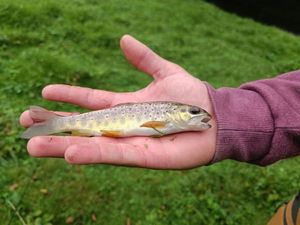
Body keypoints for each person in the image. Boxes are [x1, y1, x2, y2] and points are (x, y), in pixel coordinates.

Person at [19, 35, 300, 224]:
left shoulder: (170, 121)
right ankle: (53, 124)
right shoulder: (165, 121)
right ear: (175, 114)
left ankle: (52, 124)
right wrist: (233, 113)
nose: (201, 117)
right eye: (193, 113)